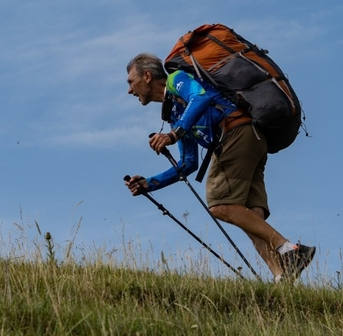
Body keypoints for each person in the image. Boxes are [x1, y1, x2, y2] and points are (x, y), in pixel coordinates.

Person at [124, 52, 315, 283]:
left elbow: (200, 97)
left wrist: (174, 134)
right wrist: (150, 184)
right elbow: (188, 163)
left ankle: (289, 249)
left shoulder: (177, 80)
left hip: (236, 132)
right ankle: (281, 278)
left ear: (146, 76)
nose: (129, 90)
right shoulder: (173, 110)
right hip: (252, 139)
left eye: (130, 82)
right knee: (248, 215)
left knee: (220, 204)